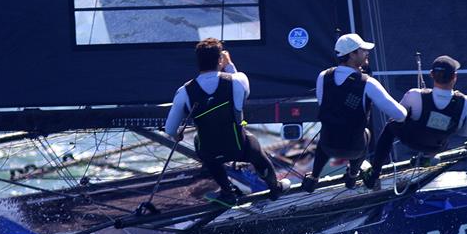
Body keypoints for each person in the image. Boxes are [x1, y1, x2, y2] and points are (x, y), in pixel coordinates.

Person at [165, 38, 290, 204]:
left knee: (200, 143)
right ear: (219, 60)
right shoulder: (238, 81)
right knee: (254, 147)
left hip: (210, 151)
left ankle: (227, 191)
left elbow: (170, 129)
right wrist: (229, 64)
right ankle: (275, 187)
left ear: (198, 62)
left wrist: (176, 136)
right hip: (239, 146)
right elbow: (242, 90)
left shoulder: (184, 92)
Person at [302, 33, 407, 192]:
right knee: (365, 132)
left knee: (329, 127)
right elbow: (400, 115)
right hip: (353, 149)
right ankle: (352, 175)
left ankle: (314, 177)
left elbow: (324, 105)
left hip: (328, 145)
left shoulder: (323, 76)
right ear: (352, 54)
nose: (367, 53)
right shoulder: (368, 83)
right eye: (363, 50)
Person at [363, 55, 467, 189]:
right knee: (443, 135)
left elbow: (398, 116)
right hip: (435, 146)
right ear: (455, 76)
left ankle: (375, 172)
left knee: (391, 125)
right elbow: (465, 133)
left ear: (432, 75)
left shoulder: (414, 95)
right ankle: (427, 158)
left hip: (410, 140)